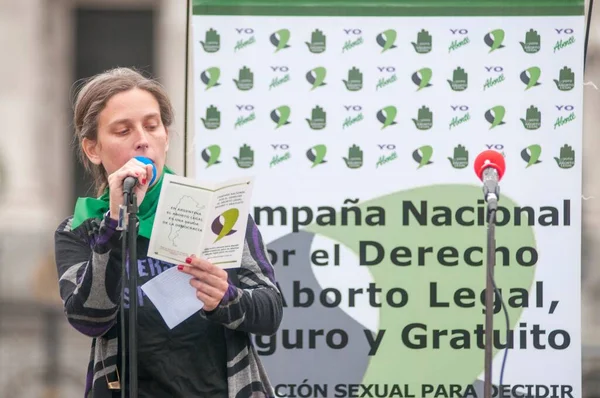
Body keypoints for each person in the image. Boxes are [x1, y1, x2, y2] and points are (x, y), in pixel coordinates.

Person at [54, 67, 283, 398]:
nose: (143, 140)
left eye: (151, 125)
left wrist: (225, 298)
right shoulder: (81, 228)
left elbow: (270, 310)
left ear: (166, 135)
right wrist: (117, 223)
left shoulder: (214, 210)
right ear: (93, 149)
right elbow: (89, 319)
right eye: (122, 131)